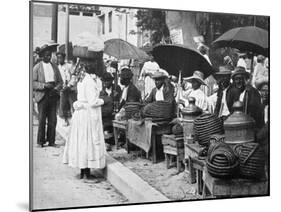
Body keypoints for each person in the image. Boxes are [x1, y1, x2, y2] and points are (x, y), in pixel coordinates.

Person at [63, 58, 106, 180]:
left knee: (81, 141)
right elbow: (92, 101)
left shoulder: (81, 79)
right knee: (87, 141)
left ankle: (83, 171)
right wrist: (103, 100)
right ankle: (86, 172)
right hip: (87, 115)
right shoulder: (89, 81)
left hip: (80, 115)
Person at [33, 43, 63, 147]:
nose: (48, 57)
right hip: (42, 95)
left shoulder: (54, 67)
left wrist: (56, 88)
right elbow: (32, 82)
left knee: (53, 120)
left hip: (53, 95)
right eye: (46, 55)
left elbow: (60, 81)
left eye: (49, 55)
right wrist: (43, 85)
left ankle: (51, 141)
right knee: (42, 119)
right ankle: (40, 141)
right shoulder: (37, 67)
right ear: (42, 56)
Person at [100, 72, 122, 150]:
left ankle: (114, 139)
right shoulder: (102, 91)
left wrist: (116, 96)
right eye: (104, 81)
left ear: (111, 81)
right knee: (105, 127)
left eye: (108, 81)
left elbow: (120, 100)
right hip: (105, 115)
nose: (106, 83)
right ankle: (107, 141)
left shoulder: (116, 88)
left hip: (115, 112)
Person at [57, 52, 72, 126]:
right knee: (63, 104)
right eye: (58, 58)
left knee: (71, 103)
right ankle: (66, 119)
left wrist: (69, 85)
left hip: (70, 87)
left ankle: (73, 119)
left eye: (61, 58)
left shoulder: (69, 66)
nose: (59, 59)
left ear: (64, 58)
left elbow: (72, 76)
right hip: (62, 88)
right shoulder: (57, 67)